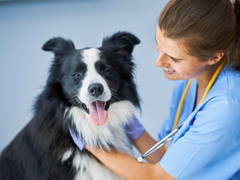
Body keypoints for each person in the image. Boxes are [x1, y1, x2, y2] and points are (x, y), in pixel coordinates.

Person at [71, 0, 240, 179]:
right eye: (158, 47)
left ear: (214, 57)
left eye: (174, 58)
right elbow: (166, 157)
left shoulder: (227, 106)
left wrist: (92, 146)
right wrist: (132, 128)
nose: (158, 63)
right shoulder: (187, 83)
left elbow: (158, 176)